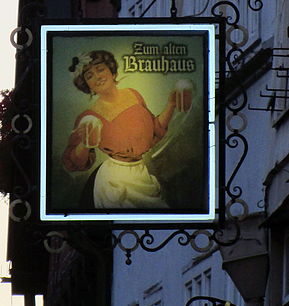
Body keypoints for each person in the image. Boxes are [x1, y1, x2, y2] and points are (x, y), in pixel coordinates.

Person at [62, 50, 192, 209]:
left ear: (112, 71)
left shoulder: (133, 95)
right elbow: (74, 162)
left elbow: (153, 133)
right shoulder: (89, 116)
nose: (97, 77)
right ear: (88, 86)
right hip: (114, 183)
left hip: (141, 174)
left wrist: (171, 105)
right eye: (89, 76)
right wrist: (86, 142)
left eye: (100, 69)